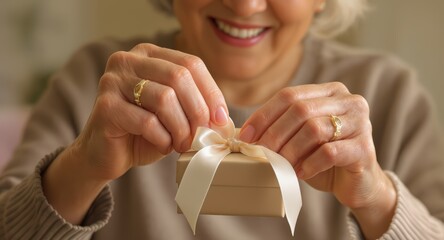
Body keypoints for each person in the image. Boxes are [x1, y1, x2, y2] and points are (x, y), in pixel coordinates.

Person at [1, 0, 443, 239]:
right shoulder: (98, 79)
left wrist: (376, 198)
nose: (245, 6)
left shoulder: (389, 96)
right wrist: (83, 165)